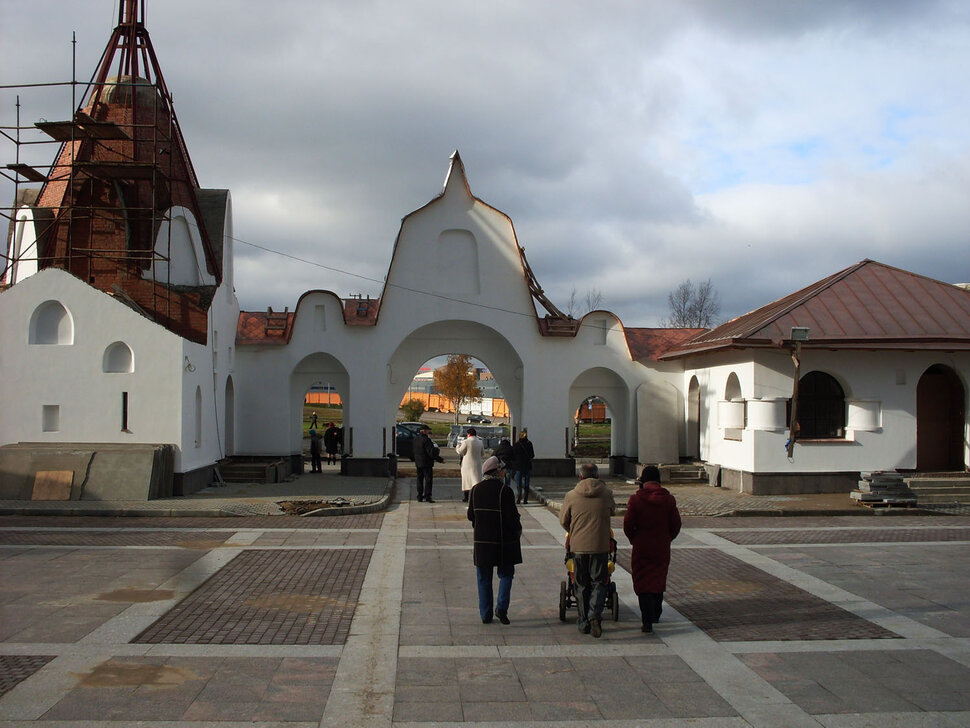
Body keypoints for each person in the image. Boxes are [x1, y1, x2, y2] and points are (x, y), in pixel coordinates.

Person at [623, 465, 681, 633]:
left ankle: (647, 620)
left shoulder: (636, 500)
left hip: (641, 547)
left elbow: (628, 524)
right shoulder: (668, 500)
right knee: (658, 577)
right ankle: (656, 612)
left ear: (643, 481)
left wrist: (634, 538)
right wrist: (667, 538)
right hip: (661, 547)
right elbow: (676, 525)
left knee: (643, 581)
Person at [560, 462, 615, 638]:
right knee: (599, 581)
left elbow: (563, 521)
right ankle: (594, 615)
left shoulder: (571, 495)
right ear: (598, 476)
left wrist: (574, 531)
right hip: (600, 545)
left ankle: (583, 620)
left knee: (581, 583)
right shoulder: (607, 493)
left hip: (578, 546)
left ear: (580, 477)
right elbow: (612, 512)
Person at [467, 456, 521, 624]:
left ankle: (485, 614)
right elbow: (512, 517)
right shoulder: (505, 491)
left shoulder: (475, 490)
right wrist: (517, 531)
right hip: (504, 542)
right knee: (506, 574)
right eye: (502, 469)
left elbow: (471, 516)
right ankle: (502, 608)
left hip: (482, 542)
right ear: (497, 472)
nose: (504, 472)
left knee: (483, 578)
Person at [413, 424, 444, 503]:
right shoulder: (426, 440)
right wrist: (440, 459)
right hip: (426, 463)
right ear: (423, 431)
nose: (428, 432)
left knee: (419, 479)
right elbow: (431, 452)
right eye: (427, 430)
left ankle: (419, 496)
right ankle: (427, 496)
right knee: (428, 479)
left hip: (418, 462)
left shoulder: (416, 439)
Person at [456, 427, 484, 502]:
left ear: (469, 434)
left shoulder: (466, 442)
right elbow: (482, 453)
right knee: (476, 480)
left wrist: (457, 446)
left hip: (467, 465)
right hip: (477, 464)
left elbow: (460, 451)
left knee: (466, 481)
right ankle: (477, 496)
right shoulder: (480, 442)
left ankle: (466, 497)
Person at [512, 430, 535, 504]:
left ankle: (519, 497)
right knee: (527, 483)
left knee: (519, 483)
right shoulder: (529, 444)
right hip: (527, 465)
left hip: (518, 466)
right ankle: (525, 499)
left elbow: (513, 456)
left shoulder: (516, 444)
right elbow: (532, 455)